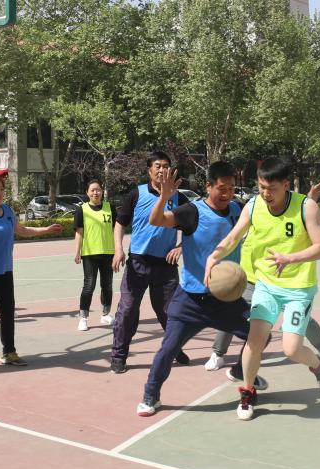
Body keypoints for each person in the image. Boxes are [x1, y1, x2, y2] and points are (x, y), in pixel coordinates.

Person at [205, 157, 320, 421]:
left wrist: (290, 258)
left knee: (291, 349)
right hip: (266, 285)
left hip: (298, 288)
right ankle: (248, 391)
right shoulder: (254, 205)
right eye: (261, 187)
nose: (265, 193)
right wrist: (214, 256)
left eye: (271, 188)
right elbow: (234, 236)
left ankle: (319, 366)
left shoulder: (306, 207)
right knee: (254, 341)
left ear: (286, 185)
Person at [137, 161, 265, 416]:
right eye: (222, 188)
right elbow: (157, 219)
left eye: (231, 188)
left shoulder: (237, 209)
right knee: (168, 349)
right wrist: (163, 198)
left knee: (262, 335)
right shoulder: (192, 212)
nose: (227, 193)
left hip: (226, 299)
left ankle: (241, 370)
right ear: (208, 186)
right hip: (191, 301)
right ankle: (151, 396)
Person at [0, 173, 62, 370]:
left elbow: (21, 230)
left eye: (1, 189)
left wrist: (45, 230)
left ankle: (8, 352)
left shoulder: (7, 211)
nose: (0, 193)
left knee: (8, 311)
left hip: (5, 269)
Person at [110, 151, 190, 374]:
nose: (162, 170)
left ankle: (175, 349)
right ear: (149, 170)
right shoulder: (136, 193)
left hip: (165, 266)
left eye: (166, 166)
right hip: (138, 263)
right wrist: (118, 249)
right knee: (127, 311)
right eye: (157, 166)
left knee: (170, 312)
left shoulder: (179, 199)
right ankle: (118, 356)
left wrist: (180, 246)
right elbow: (120, 223)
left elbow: (192, 228)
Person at [73, 179, 116, 331]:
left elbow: (116, 230)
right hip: (90, 254)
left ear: (102, 191)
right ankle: (83, 317)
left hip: (108, 253)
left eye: (98, 189)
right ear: (87, 192)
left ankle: (106, 314)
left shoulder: (110, 207)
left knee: (107, 285)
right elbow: (79, 233)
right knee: (89, 285)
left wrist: (118, 249)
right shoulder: (82, 210)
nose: (95, 192)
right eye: (92, 190)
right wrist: (77, 252)